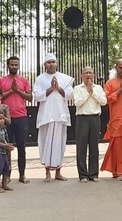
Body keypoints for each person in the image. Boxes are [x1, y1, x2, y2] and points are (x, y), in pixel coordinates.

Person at [33, 53, 74, 182]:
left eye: (53, 62)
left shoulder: (65, 78)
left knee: (60, 143)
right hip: (46, 115)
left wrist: (59, 88)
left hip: (60, 115)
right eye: (48, 62)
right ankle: (47, 173)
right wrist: (51, 88)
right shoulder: (40, 79)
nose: (51, 64)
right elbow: (36, 96)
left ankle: (58, 172)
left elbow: (70, 95)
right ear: (45, 65)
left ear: (56, 63)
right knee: (45, 143)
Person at [0, 55, 33, 184]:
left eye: (16, 65)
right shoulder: (1, 80)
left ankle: (22, 174)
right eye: (12, 64)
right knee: (7, 146)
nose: (14, 67)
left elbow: (30, 97)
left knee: (21, 147)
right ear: (8, 66)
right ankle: (7, 174)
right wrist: (11, 90)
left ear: (19, 66)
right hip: (5, 118)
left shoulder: (24, 80)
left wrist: (18, 91)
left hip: (21, 117)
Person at [73, 66, 107, 183]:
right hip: (82, 118)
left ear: (94, 75)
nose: (88, 75)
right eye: (86, 73)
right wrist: (87, 92)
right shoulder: (77, 88)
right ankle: (83, 175)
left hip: (95, 118)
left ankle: (93, 174)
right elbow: (77, 103)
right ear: (81, 75)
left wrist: (93, 92)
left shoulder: (98, 88)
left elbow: (103, 102)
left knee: (94, 146)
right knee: (81, 147)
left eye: (90, 73)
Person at [0, 110, 15, 193]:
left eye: (3, 118)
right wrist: (6, 146)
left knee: (5, 168)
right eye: (0, 119)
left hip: (4, 152)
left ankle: (4, 184)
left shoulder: (3, 128)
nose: (2, 120)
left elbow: (5, 139)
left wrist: (8, 144)